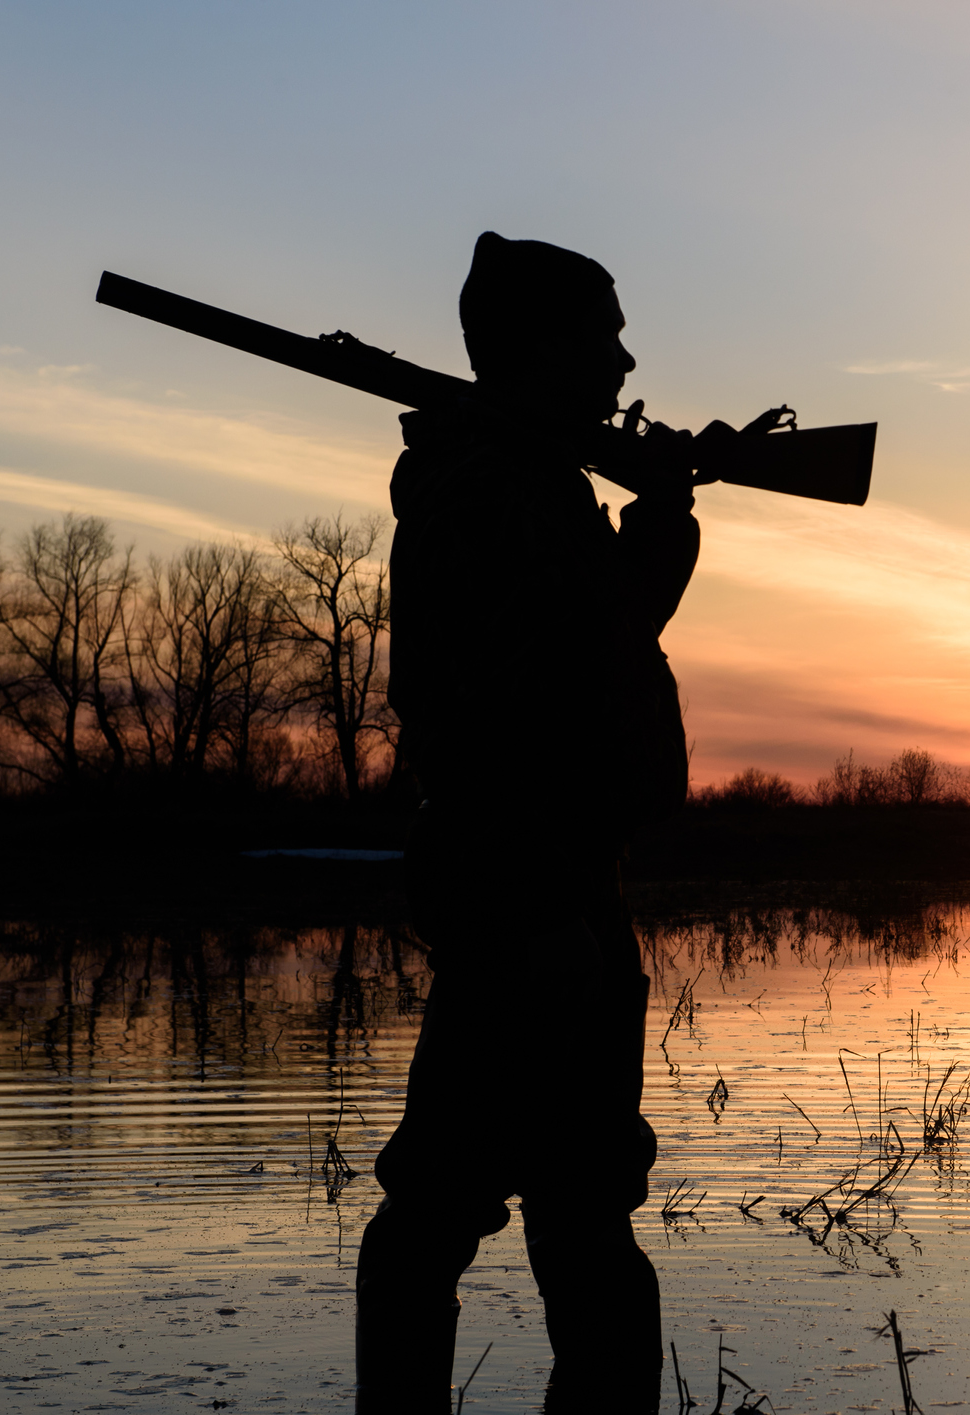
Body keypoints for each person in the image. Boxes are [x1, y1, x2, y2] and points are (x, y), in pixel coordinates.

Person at [356, 232, 706, 1412]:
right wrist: (655, 540)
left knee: (546, 1206)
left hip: (554, 883)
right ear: (542, 348)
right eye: (602, 335)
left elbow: (583, 654)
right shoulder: (487, 487)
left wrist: (648, 526)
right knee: (509, 1211)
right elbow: (538, 692)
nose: (623, 358)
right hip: (527, 885)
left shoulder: (524, 479)